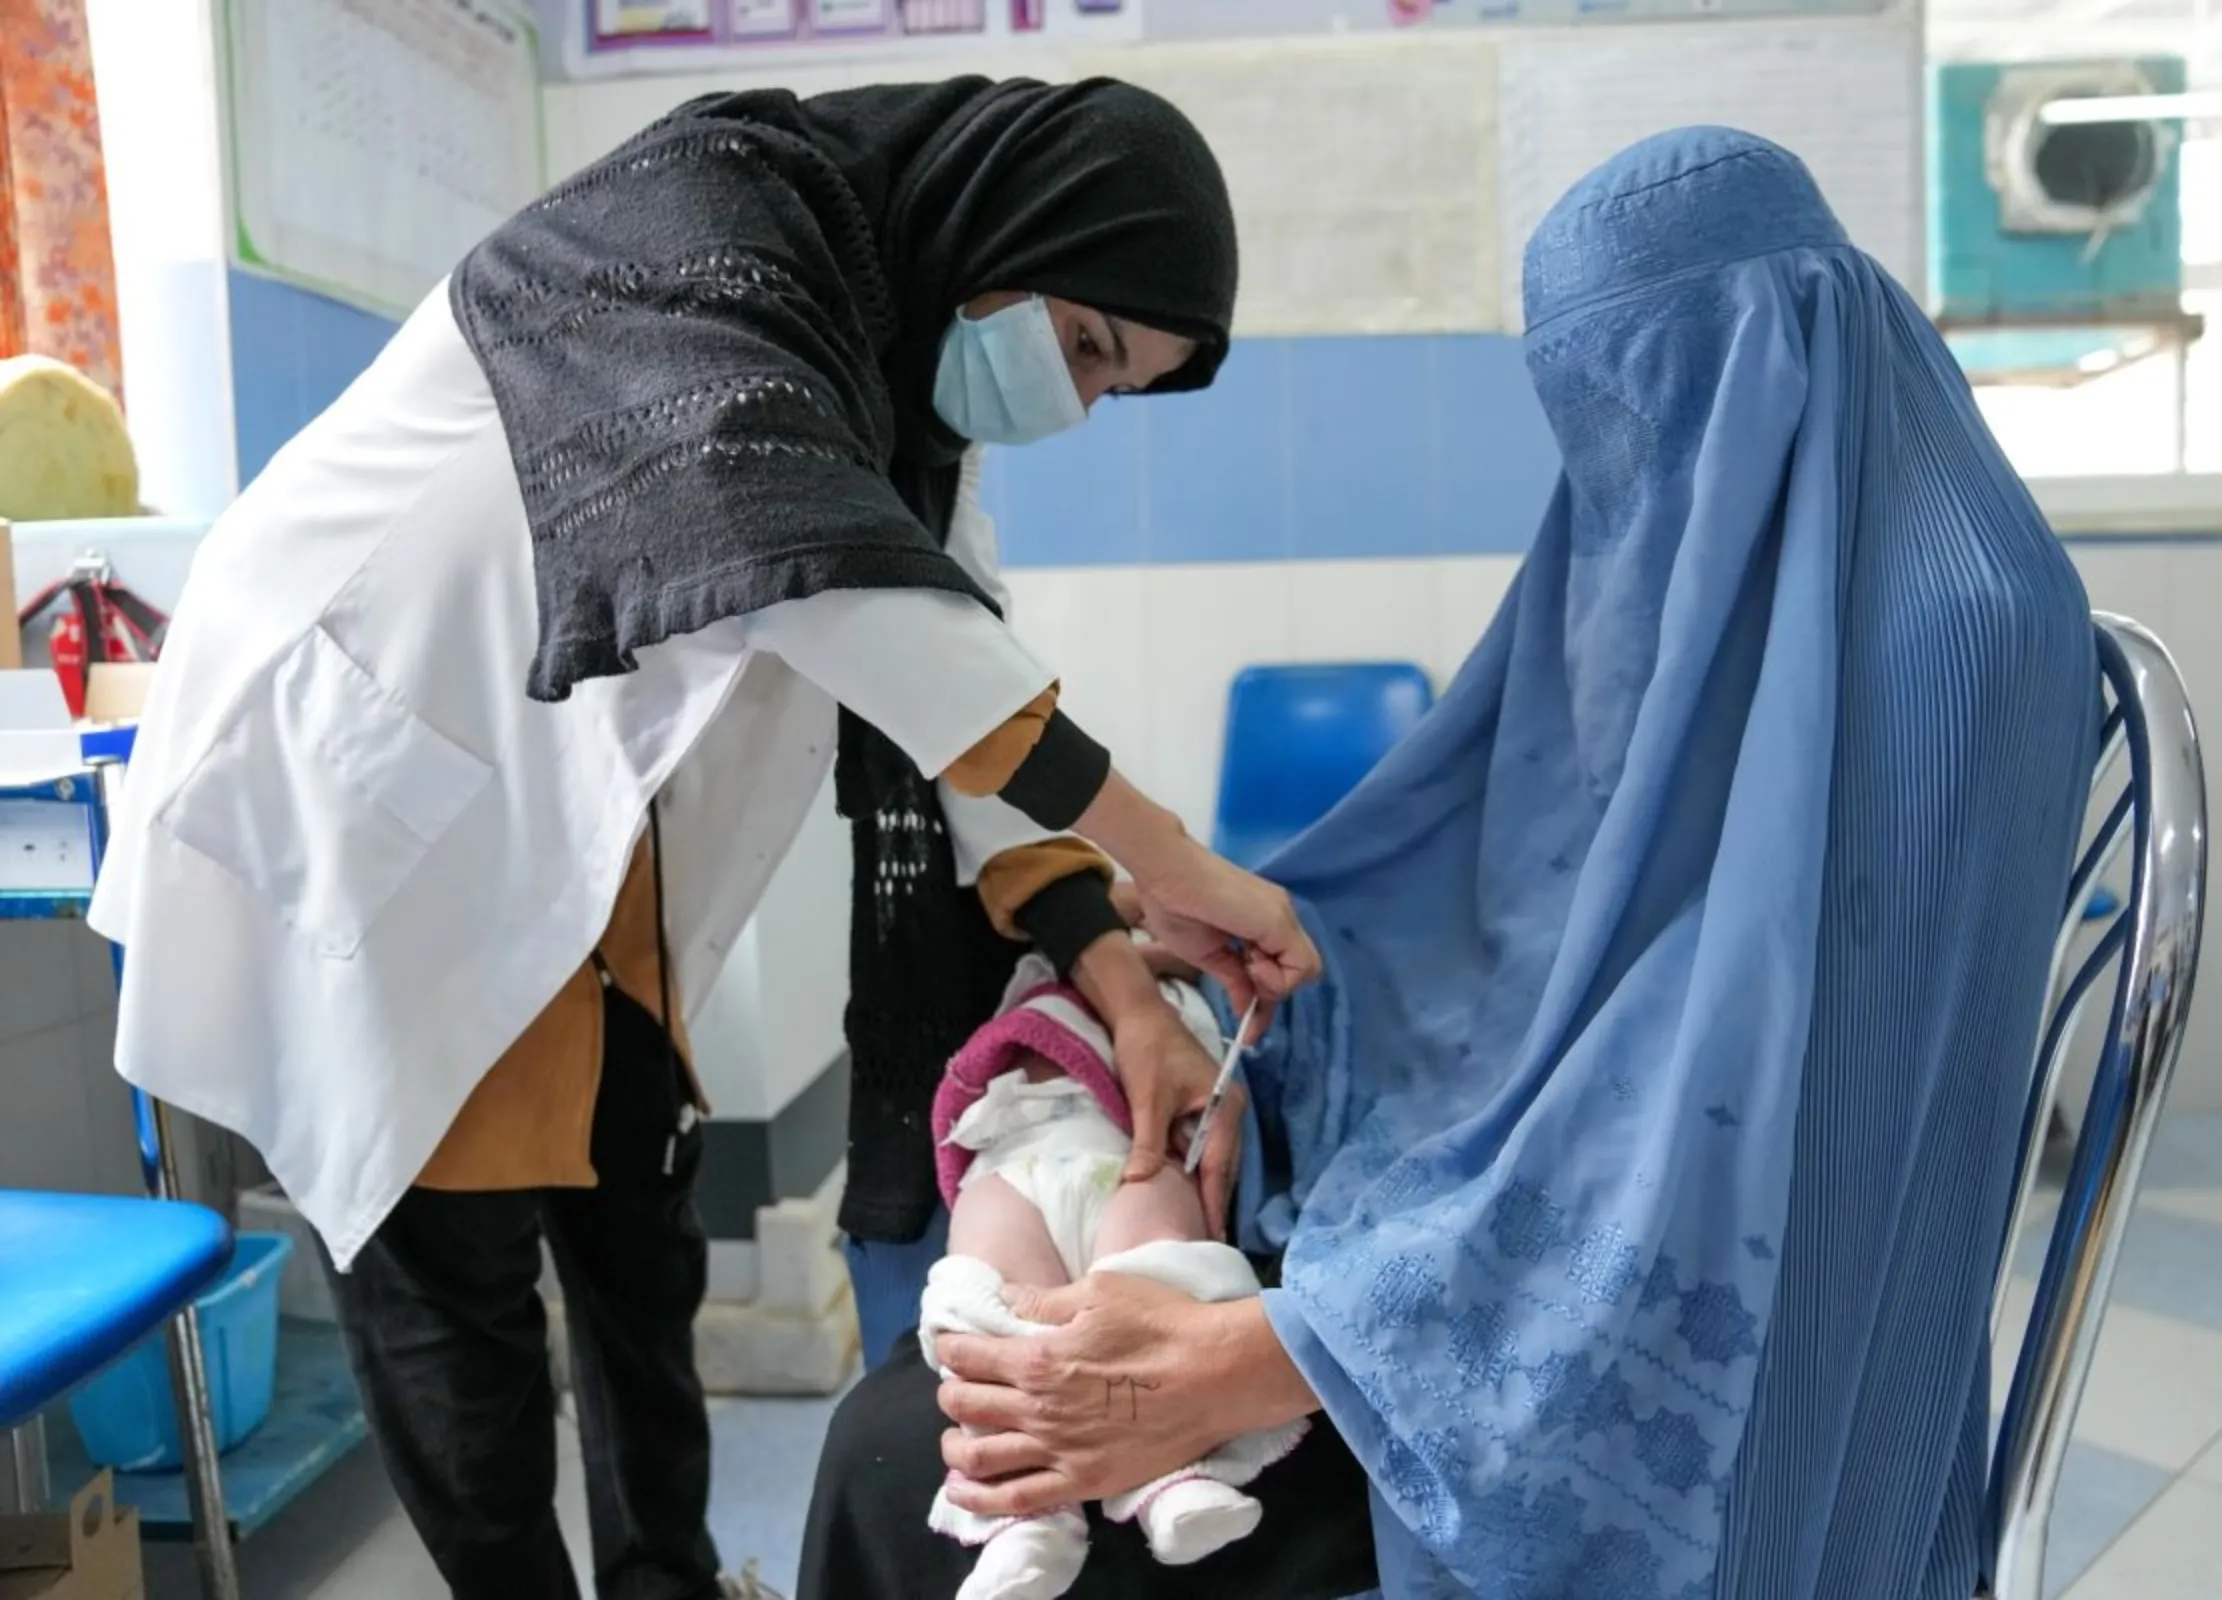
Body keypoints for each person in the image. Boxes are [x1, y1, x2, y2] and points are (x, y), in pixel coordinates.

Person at [798, 126, 2100, 1600]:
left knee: (905, 1464)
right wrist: (1248, 1026)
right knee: (937, 1410)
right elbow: (1507, 925)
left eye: (1653, 408)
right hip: (1507, 1259)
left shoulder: (1948, 643)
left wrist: (1265, 1356)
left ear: (1779, 358)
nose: (1625, 468)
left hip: (1650, 1376)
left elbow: (1776, 1158)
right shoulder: (1683, 572)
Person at [87, 78, 1320, 1600]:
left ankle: (667, 1581)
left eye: (1109, 383)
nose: (1069, 399)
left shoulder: (893, 391)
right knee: (455, 1304)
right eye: (1079, 344)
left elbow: (963, 661)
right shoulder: (697, 226)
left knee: (636, 1245)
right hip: (373, 817)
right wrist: (1177, 858)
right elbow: (833, 578)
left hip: (584, 867)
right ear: (1006, 219)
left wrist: (1120, 974)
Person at [919, 953, 1311, 1600]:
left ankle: (1173, 1476)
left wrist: (1184, 950)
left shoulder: (1196, 999)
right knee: (975, 1297)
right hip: (1010, 1167)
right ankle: (1026, 1520)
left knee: (1160, 1262)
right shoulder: (1047, 958)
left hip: (1133, 1156)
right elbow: (1050, 910)